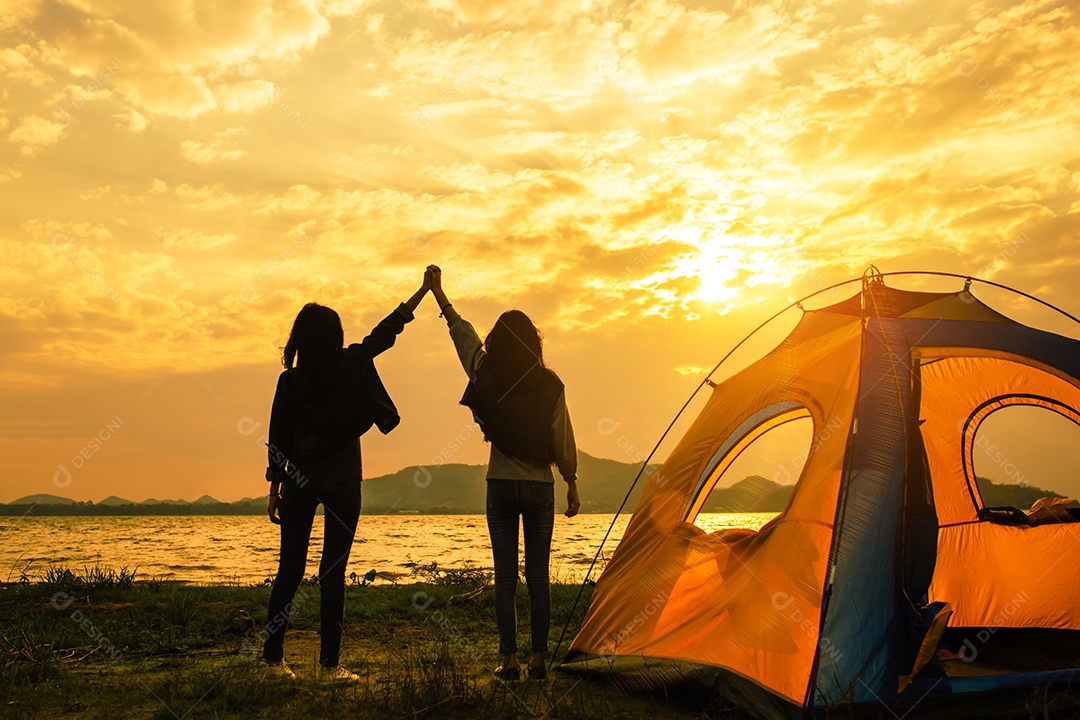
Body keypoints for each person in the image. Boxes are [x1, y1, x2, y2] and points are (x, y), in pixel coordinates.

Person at [262, 275, 430, 681]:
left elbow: (277, 436)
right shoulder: (352, 363)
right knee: (332, 572)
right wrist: (423, 292)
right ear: (335, 336)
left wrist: (274, 486)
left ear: (300, 339)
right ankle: (329, 667)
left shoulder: (290, 381)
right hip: (342, 481)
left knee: (289, 570)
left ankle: (271, 661)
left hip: (299, 482)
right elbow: (386, 333)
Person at [426, 264, 580, 681]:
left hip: (500, 485)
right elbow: (561, 437)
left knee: (505, 579)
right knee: (539, 579)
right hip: (539, 488)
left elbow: (462, 336)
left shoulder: (486, 372)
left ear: (498, 342)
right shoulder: (551, 385)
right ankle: (538, 661)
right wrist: (572, 483)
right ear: (534, 344)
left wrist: (440, 294)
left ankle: (509, 661)